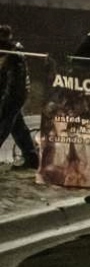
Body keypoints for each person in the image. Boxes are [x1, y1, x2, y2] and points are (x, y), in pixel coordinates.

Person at [0, 25, 39, 170]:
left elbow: (11, 79)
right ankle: (32, 158)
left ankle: (32, 158)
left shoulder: (12, 52)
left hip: (14, 93)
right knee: (18, 128)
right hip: (15, 92)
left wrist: (5, 96)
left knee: (3, 124)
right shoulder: (12, 51)